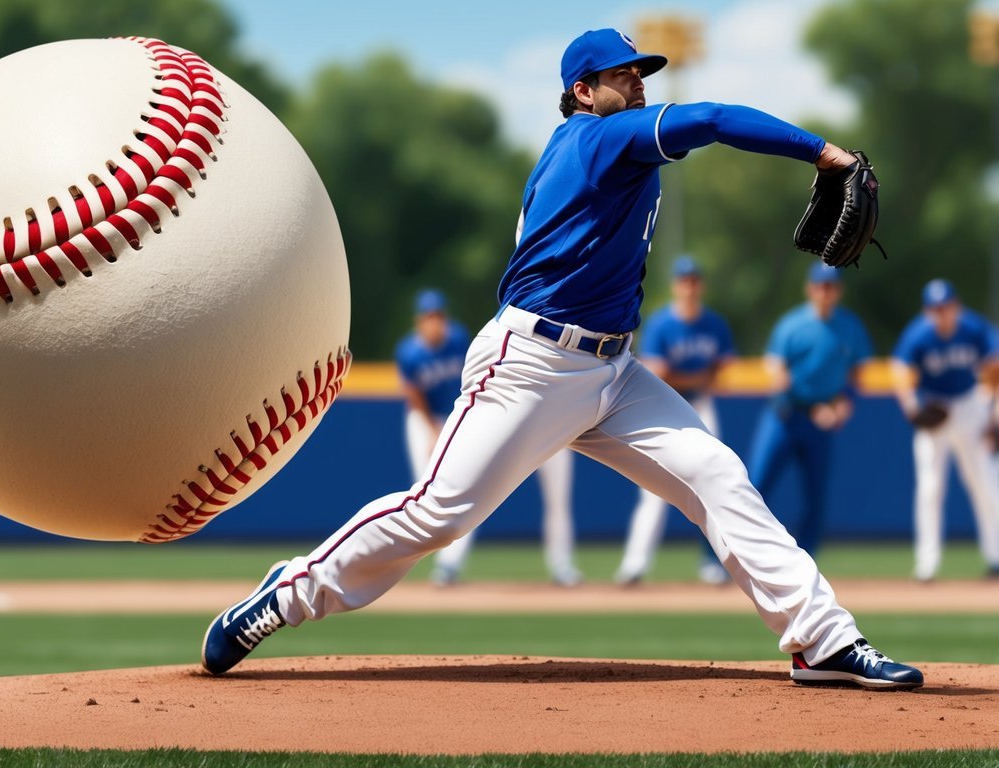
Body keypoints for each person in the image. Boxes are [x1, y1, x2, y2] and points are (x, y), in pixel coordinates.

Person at [201, 28, 922, 690]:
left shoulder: (599, 144)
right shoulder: (595, 140)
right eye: (621, 75)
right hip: (531, 365)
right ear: (582, 90)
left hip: (612, 372)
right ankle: (286, 594)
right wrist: (822, 152)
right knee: (437, 514)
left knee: (717, 475)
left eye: (641, 73)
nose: (638, 84)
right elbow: (709, 118)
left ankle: (821, 640)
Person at [397, 289, 581, 588]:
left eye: (439, 316)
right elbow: (415, 396)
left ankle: (562, 565)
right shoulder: (410, 352)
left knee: (553, 499)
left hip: (530, 416)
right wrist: (433, 431)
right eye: (430, 317)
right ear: (420, 321)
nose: (435, 322)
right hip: (428, 419)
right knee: (435, 493)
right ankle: (435, 565)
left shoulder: (458, 338)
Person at [614, 256, 735, 586]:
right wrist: (697, 376)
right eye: (684, 280)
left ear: (701, 285)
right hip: (663, 409)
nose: (689, 286)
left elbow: (722, 373)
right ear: (675, 285)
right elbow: (659, 373)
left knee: (714, 484)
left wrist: (688, 377)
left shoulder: (714, 323)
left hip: (701, 405)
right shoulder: (661, 324)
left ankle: (713, 563)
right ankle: (635, 564)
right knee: (652, 490)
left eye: (694, 280)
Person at [747, 263, 871, 558]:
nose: (825, 292)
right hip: (784, 414)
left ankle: (804, 563)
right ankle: (731, 558)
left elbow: (859, 372)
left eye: (830, 286)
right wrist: (778, 376)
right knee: (754, 488)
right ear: (810, 288)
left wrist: (843, 403)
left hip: (820, 418)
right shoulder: (793, 324)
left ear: (838, 291)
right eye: (820, 286)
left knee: (816, 499)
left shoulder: (849, 326)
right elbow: (773, 363)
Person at [891, 278, 999, 581]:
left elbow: (995, 366)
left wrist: (994, 416)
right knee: (930, 488)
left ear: (956, 306)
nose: (942, 313)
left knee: (985, 481)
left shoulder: (973, 328)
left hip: (970, 406)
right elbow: (900, 372)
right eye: (935, 308)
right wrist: (914, 411)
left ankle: (996, 557)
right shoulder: (918, 334)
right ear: (928, 311)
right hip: (936, 410)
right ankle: (927, 564)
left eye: (946, 306)